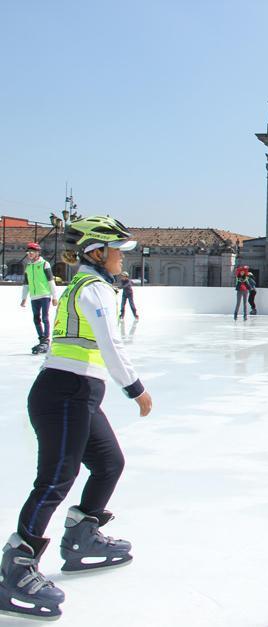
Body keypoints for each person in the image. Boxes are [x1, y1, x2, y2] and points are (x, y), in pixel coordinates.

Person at [0, 216, 153, 621]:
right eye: (118, 250)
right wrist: (136, 389)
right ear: (97, 253)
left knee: (108, 463)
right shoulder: (95, 288)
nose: (123, 258)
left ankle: (83, 536)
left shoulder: (91, 284)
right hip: (64, 394)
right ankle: (17, 566)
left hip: (78, 394)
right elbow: (110, 344)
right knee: (54, 481)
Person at [19, 242, 59, 355]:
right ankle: (41, 339)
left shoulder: (44, 264)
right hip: (34, 296)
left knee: (45, 317)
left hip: (45, 295)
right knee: (36, 318)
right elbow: (26, 284)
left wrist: (54, 297)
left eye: (32, 252)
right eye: (28, 252)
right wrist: (23, 298)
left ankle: (46, 339)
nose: (30, 254)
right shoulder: (28, 266)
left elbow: (51, 281)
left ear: (37, 253)